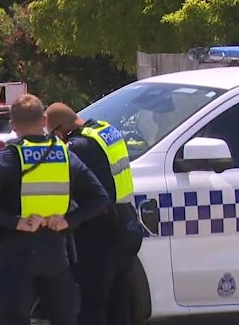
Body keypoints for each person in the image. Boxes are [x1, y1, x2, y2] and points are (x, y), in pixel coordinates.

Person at [0, 94, 110, 325]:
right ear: (45, 120)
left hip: (16, 254)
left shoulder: (10, 158)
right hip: (55, 254)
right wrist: (67, 220)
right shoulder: (65, 155)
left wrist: (16, 222)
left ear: (13, 125)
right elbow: (99, 198)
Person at [45, 102, 143, 325]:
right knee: (118, 303)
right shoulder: (105, 130)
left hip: (101, 233)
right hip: (126, 224)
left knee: (91, 305)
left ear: (59, 130)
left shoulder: (78, 147)